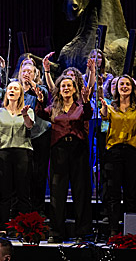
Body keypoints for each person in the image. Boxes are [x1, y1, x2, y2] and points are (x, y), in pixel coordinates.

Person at [38, 65, 95, 243]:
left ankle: (83, 232)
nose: (66, 88)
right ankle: (56, 232)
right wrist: (39, 101)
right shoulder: (53, 107)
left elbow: (88, 114)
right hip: (59, 152)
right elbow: (41, 114)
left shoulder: (80, 105)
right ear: (59, 89)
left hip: (78, 150)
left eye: (69, 85)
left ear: (75, 88)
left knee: (81, 191)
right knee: (58, 192)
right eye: (63, 86)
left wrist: (86, 101)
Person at [0, 80, 34, 235]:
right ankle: (4, 228)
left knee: (22, 192)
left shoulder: (27, 110)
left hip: (22, 151)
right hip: (3, 152)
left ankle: (24, 227)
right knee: (5, 193)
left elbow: (30, 125)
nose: (12, 90)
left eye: (16, 89)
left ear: (20, 94)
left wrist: (24, 115)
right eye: (10, 88)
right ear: (6, 93)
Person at [101, 75, 136, 236]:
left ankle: (132, 231)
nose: (124, 86)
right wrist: (103, 109)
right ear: (116, 88)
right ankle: (114, 230)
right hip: (114, 151)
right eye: (121, 84)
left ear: (132, 88)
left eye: (127, 84)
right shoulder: (110, 106)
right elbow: (103, 120)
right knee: (113, 192)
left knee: (131, 192)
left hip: (132, 151)